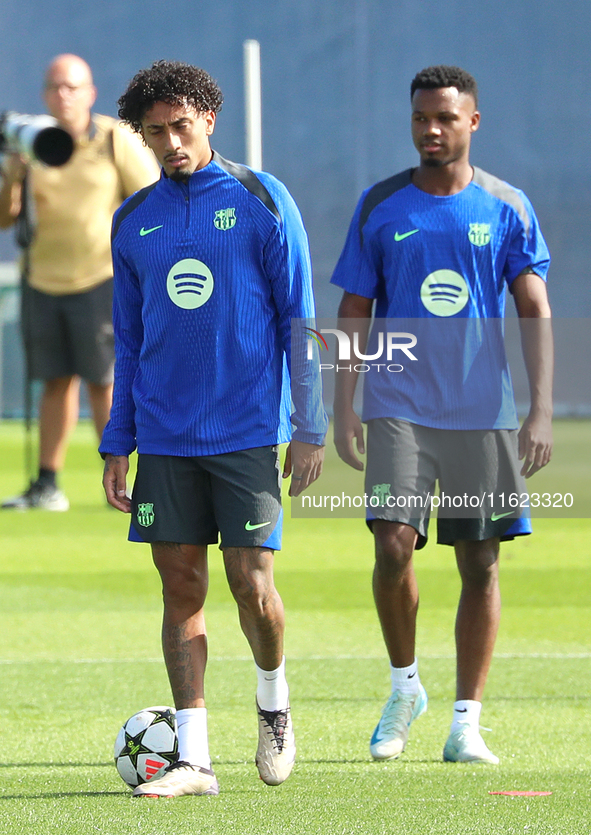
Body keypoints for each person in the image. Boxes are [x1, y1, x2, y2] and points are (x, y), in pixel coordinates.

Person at [100, 60, 327, 798]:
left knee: (251, 585)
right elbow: (129, 342)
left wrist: (309, 424)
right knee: (181, 588)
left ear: (208, 118)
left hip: (248, 428)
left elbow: (298, 317)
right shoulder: (133, 219)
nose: (171, 143)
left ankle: (272, 703)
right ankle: (195, 759)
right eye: (156, 132)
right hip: (165, 435)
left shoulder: (263, 198)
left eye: (182, 126)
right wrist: (116, 440)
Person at [331, 65, 552, 765]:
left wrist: (540, 410)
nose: (430, 130)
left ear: (472, 122)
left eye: (445, 118)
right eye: (420, 118)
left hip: (481, 411)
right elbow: (353, 308)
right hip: (398, 406)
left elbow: (534, 309)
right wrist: (343, 405)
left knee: (479, 562)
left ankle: (466, 721)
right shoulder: (381, 205)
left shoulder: (505, 205)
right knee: (393, 543)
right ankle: (404, 687)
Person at [0, 53, 159, 510]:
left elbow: (150, 200)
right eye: (54, 87)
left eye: (72, 87)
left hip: (100, 278)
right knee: (53, 382)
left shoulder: (113, 140)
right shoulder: (29, 145)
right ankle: (47, 484)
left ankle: (120, 479)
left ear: (89, 93)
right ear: (44, 95)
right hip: (43, 279)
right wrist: (10, 175)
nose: (63, 95)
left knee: (104, 381)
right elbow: (5, 217)